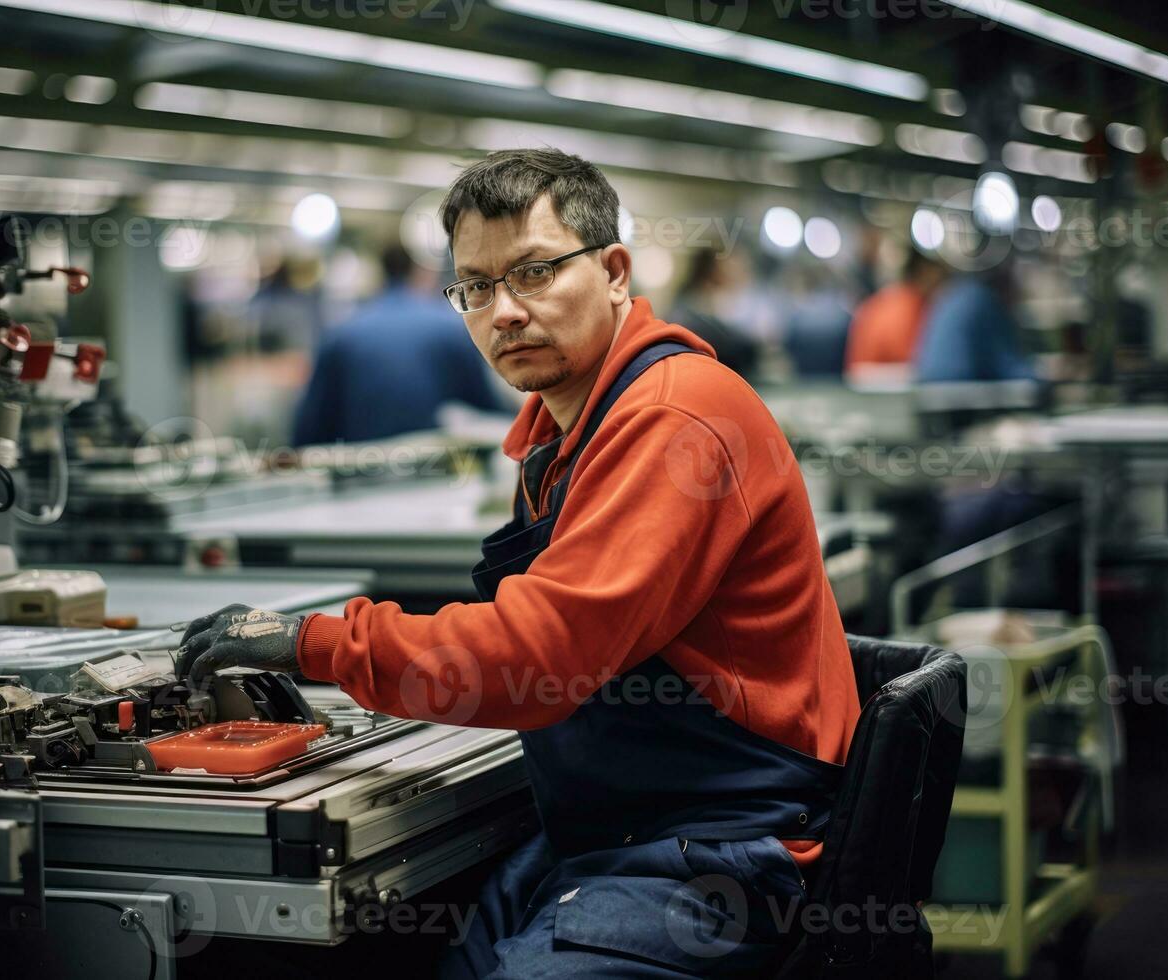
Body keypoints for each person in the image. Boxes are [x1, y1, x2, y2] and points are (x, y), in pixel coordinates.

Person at [177, 149, 860, 977]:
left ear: (614, 272)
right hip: (617, 831)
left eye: (534, 273)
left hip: (726, 848)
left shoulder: (677, 417)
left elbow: (541, 652)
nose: (503, 311)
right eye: (476, 286)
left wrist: (311, 643)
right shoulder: (560, 439)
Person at [292, 245, 501, 445]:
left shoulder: (341, 333)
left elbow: (310, 428)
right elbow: (488, 410)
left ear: (381, 272)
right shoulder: (451, 327)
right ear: (417, 271)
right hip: (438, 472)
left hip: (361, 470)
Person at [844, 248, 947, 383]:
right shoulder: (910, 306)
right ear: (925, 271)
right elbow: (914, 365)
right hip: (885, 394)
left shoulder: (881, 301)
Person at [913, 272, 1035, 383]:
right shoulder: (983, 300)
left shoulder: (952, 293)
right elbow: (1009, 366)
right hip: (962, 394)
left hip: (930, 390)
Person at [667, 246, 761, 376]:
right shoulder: (693, 307)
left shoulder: (716, 302)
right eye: (727, 265)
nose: (732, 271)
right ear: (713, 270)